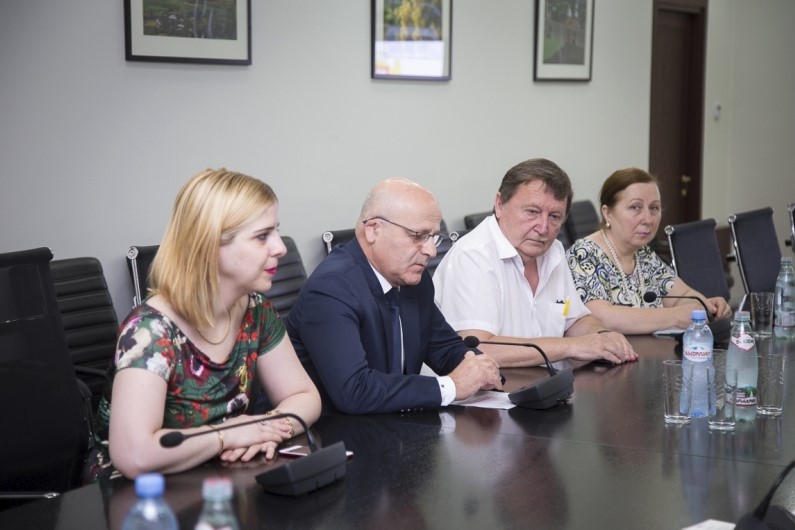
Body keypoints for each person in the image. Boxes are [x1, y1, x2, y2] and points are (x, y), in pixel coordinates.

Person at [88, 169, 321, 480]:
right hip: (134, 495)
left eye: (276, 232)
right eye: (262, 236)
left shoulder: (256, 310)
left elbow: (305, 396)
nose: (280, 248)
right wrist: (226, 435)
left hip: (219, 478)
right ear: (209, 245)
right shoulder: (149, 332)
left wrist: (265, 429)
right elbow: (134, 455)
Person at [285, 178, 503, 415]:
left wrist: (479, 367)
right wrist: (452, 386)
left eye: (433, 237)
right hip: (334, 430)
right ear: (373, 230)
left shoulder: (413, 279)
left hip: (393, 422)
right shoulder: (332, 288)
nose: (431, 251)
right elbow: (354, 390)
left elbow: (444, 347)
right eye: (418, 236)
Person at [433, 158, 637, 367]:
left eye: (554, 216)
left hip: (546, 381)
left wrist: (602, 336)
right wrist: (573, 346)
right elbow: (478, 349)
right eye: (532, 212)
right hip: (489, 386)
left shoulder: (554, 250)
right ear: (500, 204)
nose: (543, 228)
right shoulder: (472, 255)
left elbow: (575, 320)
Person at [566, 167, 732, 334]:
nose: (648, 219)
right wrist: (675, 316)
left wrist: (707, 306)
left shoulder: (644, 254)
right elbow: (603, 318)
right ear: (608, 213)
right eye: (635, 207)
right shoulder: (583, 255)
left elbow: (684, 296)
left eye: (654, 208)